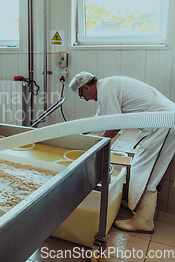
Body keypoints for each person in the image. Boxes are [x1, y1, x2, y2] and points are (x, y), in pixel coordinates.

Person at [69, 71, 175, 233]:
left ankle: (144, 221)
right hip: (163, 122)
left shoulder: (106, 91)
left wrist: (96, 149)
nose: (85, 99)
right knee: (143, 167)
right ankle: (138, 203)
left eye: (82, 95)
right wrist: (76, 133)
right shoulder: (107, 86)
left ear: (86, 87)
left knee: (145, 170)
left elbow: (113, 127)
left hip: (162, 124)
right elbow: (98, 121)